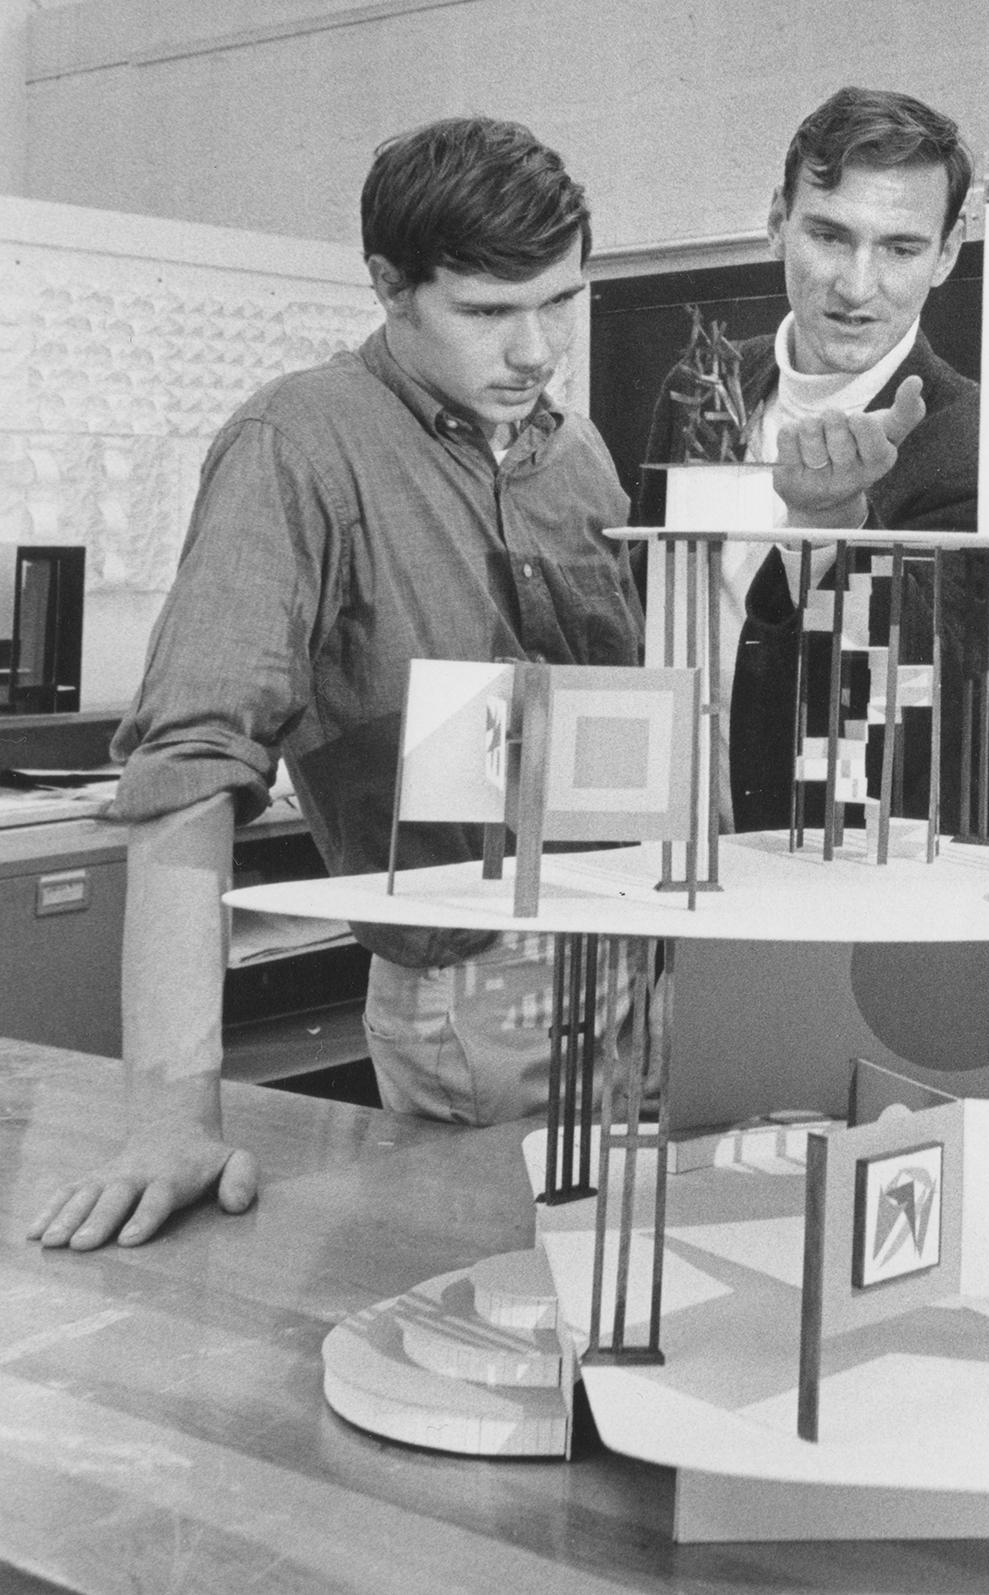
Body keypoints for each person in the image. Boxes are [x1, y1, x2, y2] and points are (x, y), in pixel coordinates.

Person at [29, 117, 643, 1252]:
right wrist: (172, 1115)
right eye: (487, 310)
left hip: (633, 961)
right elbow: (188, 767)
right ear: (388, 287)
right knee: (504, 1303)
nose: (535, 350)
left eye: (560, 300)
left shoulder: (576, 453)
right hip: (475, 986)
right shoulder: (299, 443)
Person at [637, 86, 981, 832]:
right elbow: (648, 605)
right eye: (830, 236)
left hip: (846, 866)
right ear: (775, 224)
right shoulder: (702, 388)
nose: (858, 286)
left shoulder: (973, 441)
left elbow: (923, 696)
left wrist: (827, 529)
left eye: (900, 248)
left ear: (947, 253)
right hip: (670, 848)